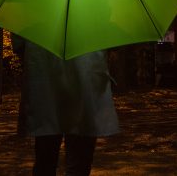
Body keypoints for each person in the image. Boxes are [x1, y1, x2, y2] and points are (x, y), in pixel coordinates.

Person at [11, 34, 119, 176]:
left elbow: (19, 42)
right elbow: (112, 39)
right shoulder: (99, 11)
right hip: (85, 75)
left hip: (45, 73)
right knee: (79, 158)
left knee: (45, 157)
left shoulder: (30, 12)